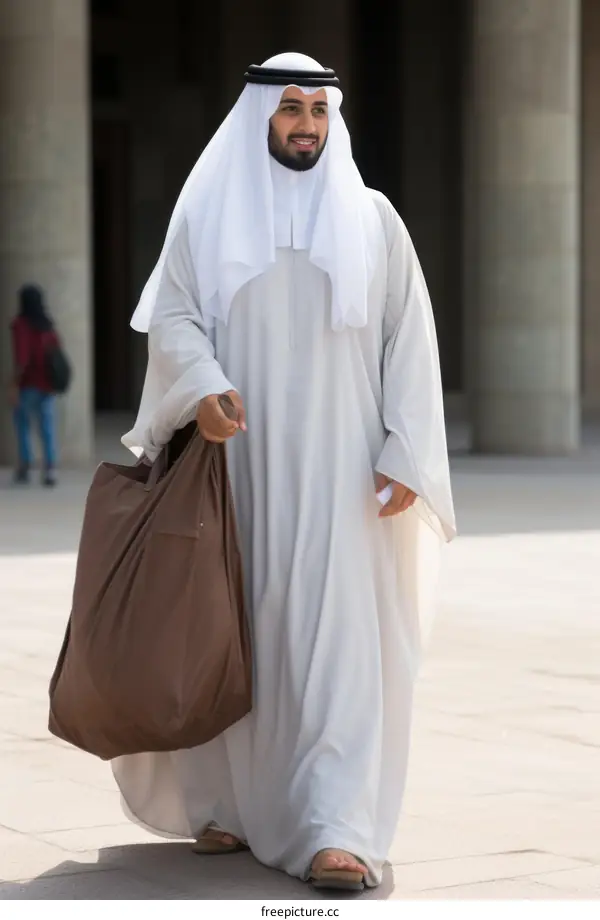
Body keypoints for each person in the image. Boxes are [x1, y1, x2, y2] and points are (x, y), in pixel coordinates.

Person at [113, 52, 456, 891]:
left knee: (337, 642)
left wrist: (405, 450)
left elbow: (409, 340)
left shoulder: (375, 221)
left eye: (318, 109)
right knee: (233, 633)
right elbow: (176, 317)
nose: (305, 123)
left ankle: (335, 827)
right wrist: (200, 389)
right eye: (290, 108)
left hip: (342, 477)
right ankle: (226, 804)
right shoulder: (207, 217)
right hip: (238, 471)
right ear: (260, 116)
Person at [9, 285, 59, 487]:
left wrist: (13, 383)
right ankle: (50, 469)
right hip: (47, 384)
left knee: (23, 425)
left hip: (28, 384)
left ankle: (25, 466)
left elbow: (22, 358)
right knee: (47, 427)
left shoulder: (21, 325)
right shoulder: (47, 325)